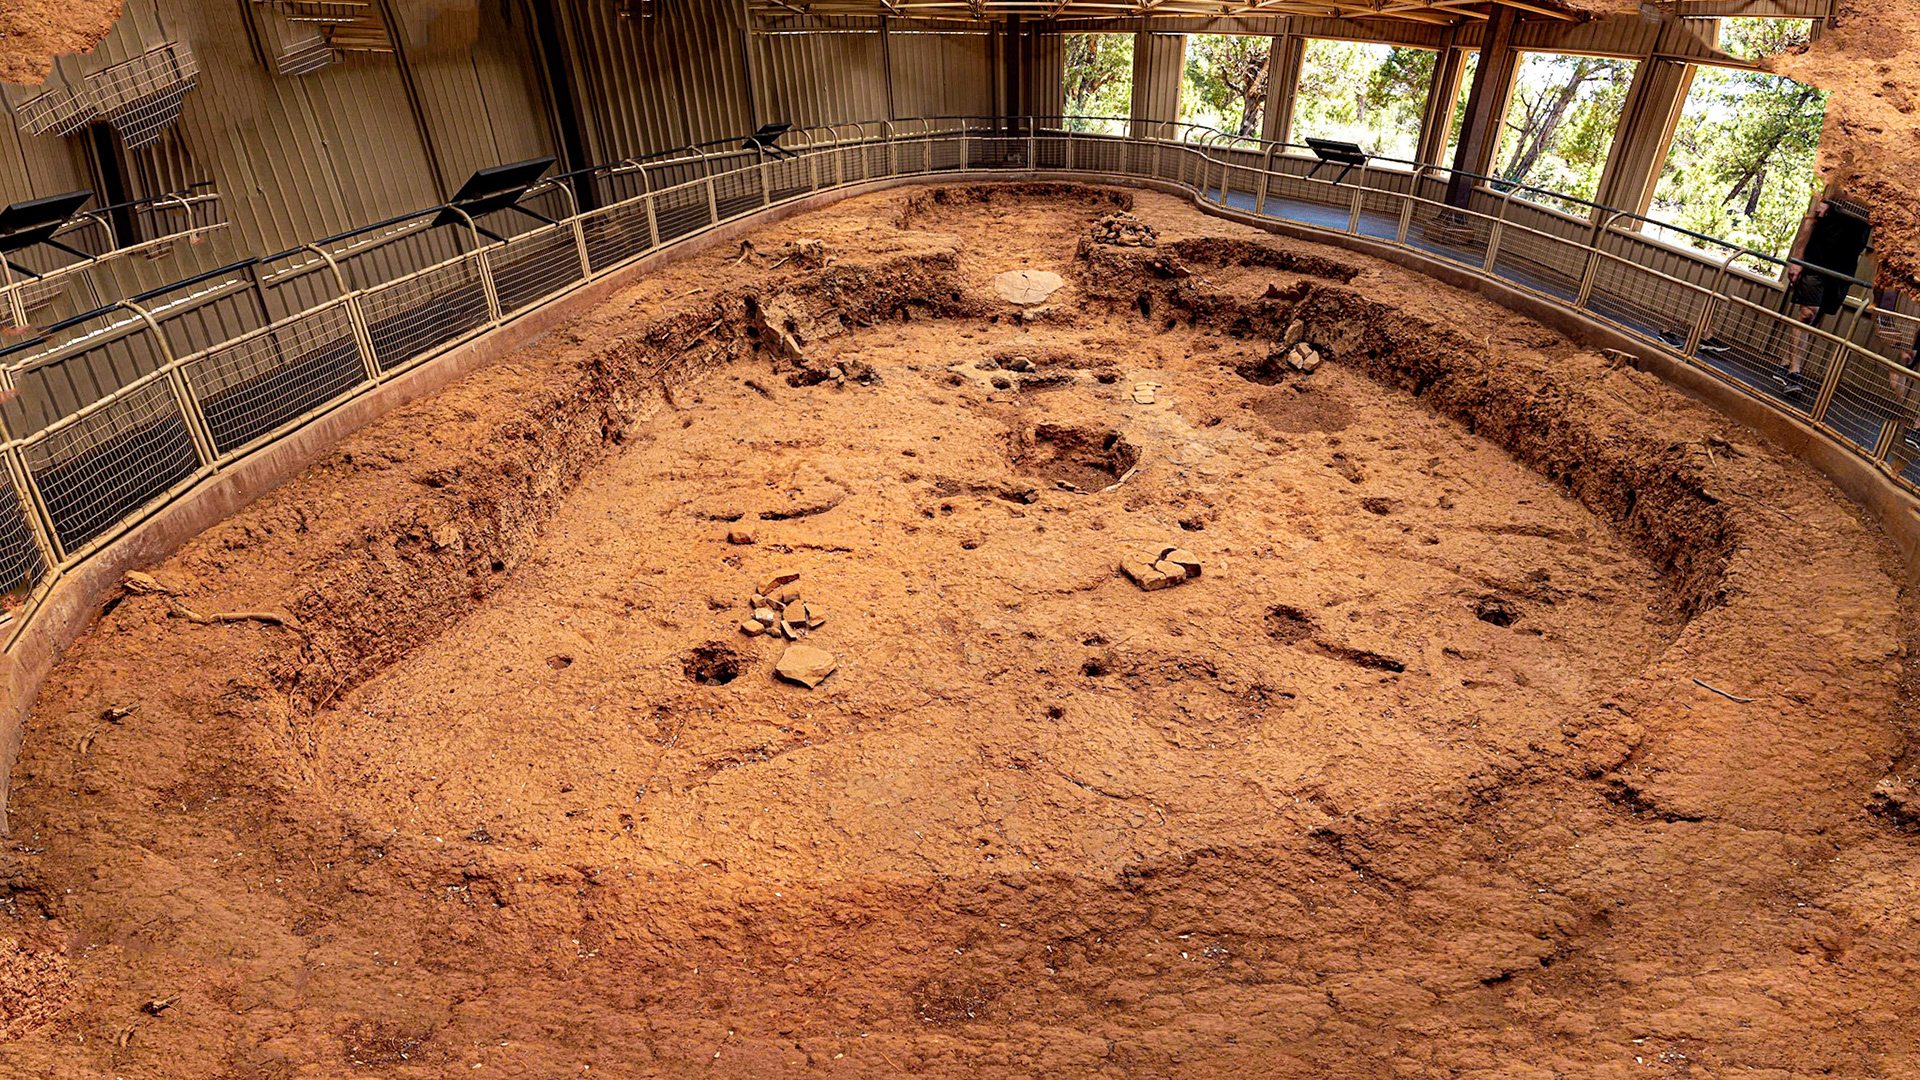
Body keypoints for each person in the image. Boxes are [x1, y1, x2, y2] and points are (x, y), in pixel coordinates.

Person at [1775, 182, 1872, 395]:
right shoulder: (1832, 189)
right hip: (1816, 260)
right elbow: (1809, 221)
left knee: (1817, 315)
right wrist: (1797, 259)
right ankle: (1794, 373)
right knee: (1808, 312)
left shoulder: (1877, 201)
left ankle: (1786, 362)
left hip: (1843, 268)